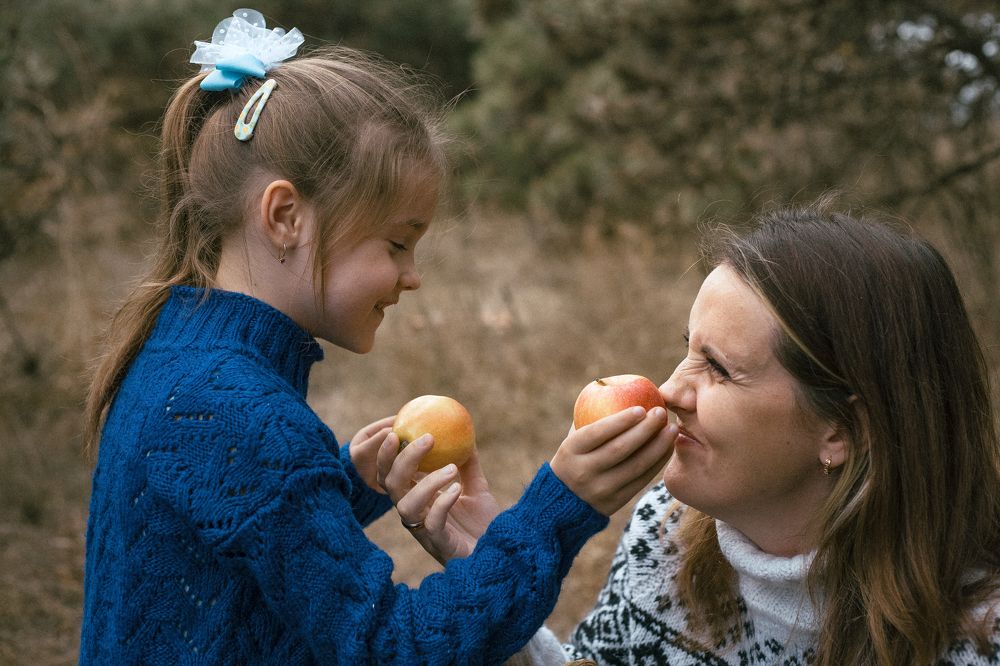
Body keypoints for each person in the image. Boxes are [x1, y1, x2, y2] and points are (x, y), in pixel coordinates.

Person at [78, 9, 676, 664]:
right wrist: (558, 508)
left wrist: (342, 481)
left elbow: (236, 547)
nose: (412, 276)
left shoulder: (175, 351)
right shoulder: (246, 416)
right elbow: (397, 648)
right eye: (396, 243)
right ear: (285, 216)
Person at [398, 204, 1000, 664]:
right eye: (687, 350)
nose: (668, 391)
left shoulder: (976, 640)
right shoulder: (665, 534)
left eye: (718, 368)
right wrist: (494, 583)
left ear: (842, 431)